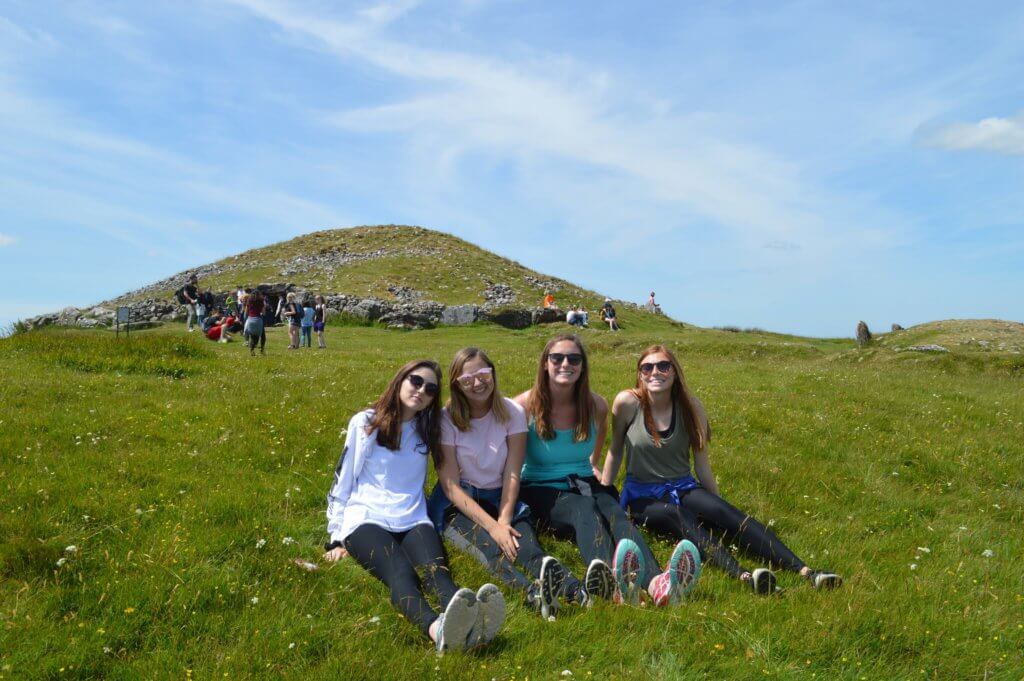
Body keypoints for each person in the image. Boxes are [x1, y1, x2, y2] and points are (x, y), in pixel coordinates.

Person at [602, 345, 842, 594]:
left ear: (674, 372)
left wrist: (716, 508)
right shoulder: (628, 403)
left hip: (683, 485)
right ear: (640, 374)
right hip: (642, 496)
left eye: (663, 366)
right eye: (647, 367)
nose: (655, 372)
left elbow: (702, 464)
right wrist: (606, 491)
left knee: (728, 514)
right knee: (676, 515)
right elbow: (616, 449)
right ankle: (744, 576)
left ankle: (808, 572)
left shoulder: (691, 407)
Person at [324, 360, 506, 652]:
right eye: (416, 381)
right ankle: (438, 631)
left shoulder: (429, 429)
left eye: (431, 388)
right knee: (401, 573)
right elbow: (342, 481)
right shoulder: (365, 422)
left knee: (438, 573)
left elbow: (468, 435)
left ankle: (471, 624)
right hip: (366, 519)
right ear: (400, 380)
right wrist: (334, 538)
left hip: (413, 519)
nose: (421, 391)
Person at [514, 334, 701, 606]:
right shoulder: (522, 406)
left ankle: (655, 583)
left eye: (574, 358)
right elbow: (508, 461)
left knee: (616, 513)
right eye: (557, 358)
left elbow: (596, 450)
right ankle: (612, 584)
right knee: (584, 510)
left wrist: (595, 470)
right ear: (545, 364)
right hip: (539, 487)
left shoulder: (595, 405)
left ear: (582, 366)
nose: (566, 363)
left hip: (582, 479)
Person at [427, 348, 599, 620]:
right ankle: (533, 594)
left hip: (502, 496)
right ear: (456, 383)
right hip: (458, 503)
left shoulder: (512, 412)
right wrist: (493, 527)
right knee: (491, 549)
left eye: (483, 374)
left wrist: (505, 520)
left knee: (526, 546)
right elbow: (450, 485)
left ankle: (575, 590)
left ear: (492, 373)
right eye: (467, 378)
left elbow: (512, 471)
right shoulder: (446, 419)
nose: (477, 382)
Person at [244, 290, 267, 356]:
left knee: (252, 336)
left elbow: (246, 312)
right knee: (263, 336)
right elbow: (264, 313)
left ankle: (252, 350)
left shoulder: (249, 301)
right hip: (258, 320)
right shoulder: (261, 301)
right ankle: (262, 350)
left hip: (250, 319)